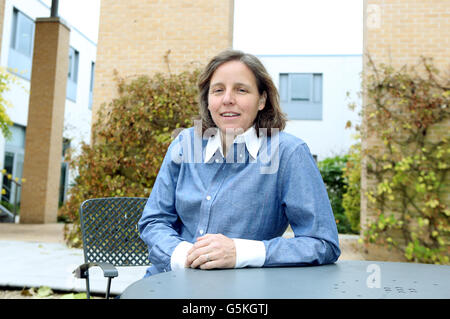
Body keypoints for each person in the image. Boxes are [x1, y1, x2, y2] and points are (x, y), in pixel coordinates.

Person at [138, 49, 340, 277]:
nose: (227, 99)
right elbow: (154, 221)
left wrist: (240, 252)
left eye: (241, 90)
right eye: (218, 90)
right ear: (208, 99)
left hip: (241, 292)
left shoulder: (289, 154)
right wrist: (184, 255)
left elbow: (323, 243)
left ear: (262, 99)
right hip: (167, 282)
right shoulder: (184, 144)